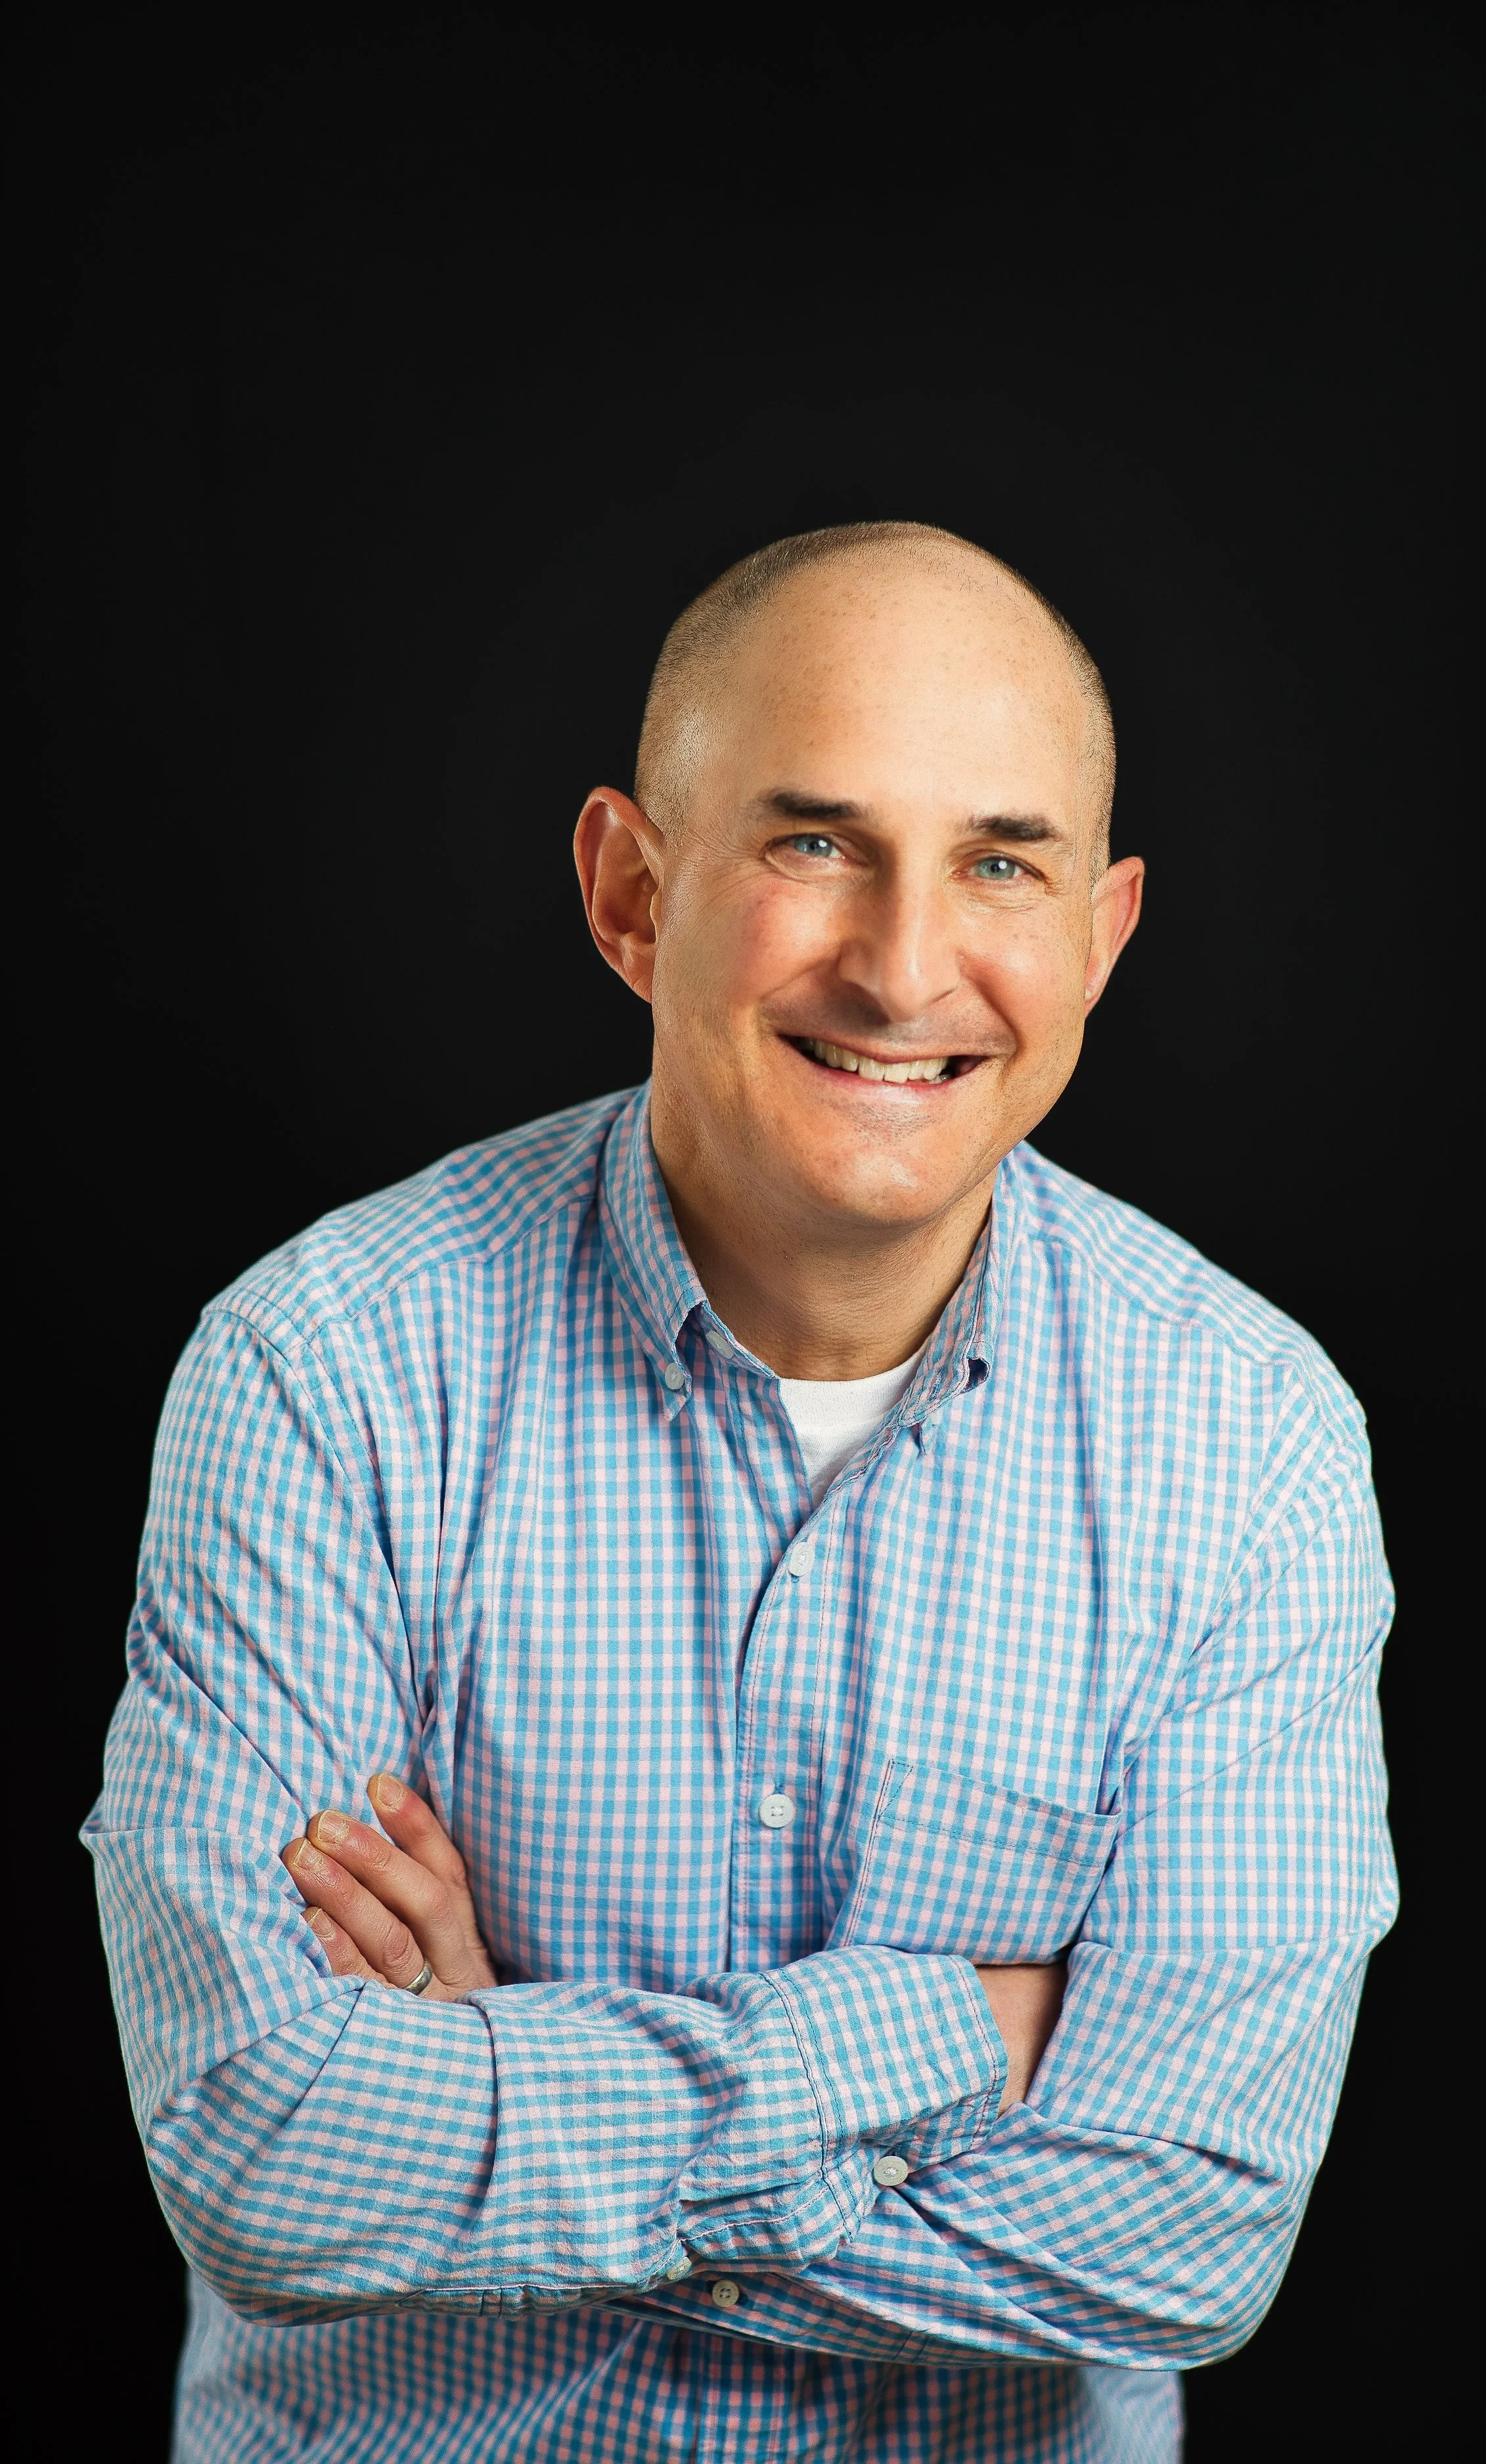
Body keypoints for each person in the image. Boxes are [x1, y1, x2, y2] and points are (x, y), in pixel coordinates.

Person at [87, 522, 1397, 2463]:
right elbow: (267, 2158)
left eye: (1001, 864)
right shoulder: (326, 1370)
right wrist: (961, 2030)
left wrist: (490, 2094)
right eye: (815, 843)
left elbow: (1186, 2237)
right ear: (632, 894)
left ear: (1100, 939)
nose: (902, 964)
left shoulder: (1250, 1442)